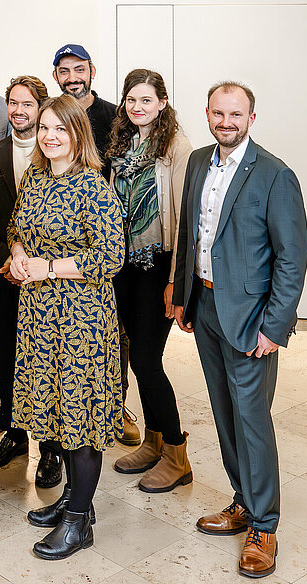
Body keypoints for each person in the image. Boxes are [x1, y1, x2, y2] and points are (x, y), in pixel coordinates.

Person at [173, 81, 307, 578]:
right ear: (207, 114)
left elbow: (292, 259)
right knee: (224, 412)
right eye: (218, 112)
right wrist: (183, 295)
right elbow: (191, 233)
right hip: (205, 304)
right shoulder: (197, 162)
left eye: (236, 114)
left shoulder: (275, 176)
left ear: (251, 117)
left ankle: (264, 526)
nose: (226, 121)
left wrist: (275, 326)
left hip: (251, 316)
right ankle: (243, 501)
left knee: (252, 419)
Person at [8, 94, 125, 560]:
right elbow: (16, 225)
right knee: (56, 412)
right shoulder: (36, 177)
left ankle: (79, 523)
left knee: (80, 416)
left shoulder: (94, 187)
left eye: (60, 128)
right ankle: (75, 502)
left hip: (82, 319)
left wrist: (49, 268)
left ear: (78, 133)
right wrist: (18, 255)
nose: (50, 136)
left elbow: (110, 258)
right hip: (38, 316)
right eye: (44, 128)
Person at [107, 69, 194, 492]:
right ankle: (154, 443)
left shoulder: (176, 147)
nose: (137, 107)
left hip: (158, 264)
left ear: (162, 102)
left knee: (145, 360)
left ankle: (177, 454)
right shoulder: (123, 143)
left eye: (147, 100)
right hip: (124, 266)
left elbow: (183, 219)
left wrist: (176, 278)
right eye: (131, 100)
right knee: (138, 356)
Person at [52, 44, 138, 448]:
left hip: (107, 239)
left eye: (79, 69)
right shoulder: (53, 117)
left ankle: (114, 405)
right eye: (64, 70)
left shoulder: (114, 118)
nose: (73, 76)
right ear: (56, 76)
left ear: (92, 71)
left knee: (114, 334)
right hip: (64, 247)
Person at [0, 75, 65, 489]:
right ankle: (16, 434)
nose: (19, 110)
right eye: (13, 103)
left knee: (45, 363)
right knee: (8, 356)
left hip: (50, 282)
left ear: (41, 108)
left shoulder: (53, 151)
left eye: (27, 104)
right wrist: (9, 262)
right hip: (4, 272)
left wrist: (37, 265)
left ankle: (50, 447)